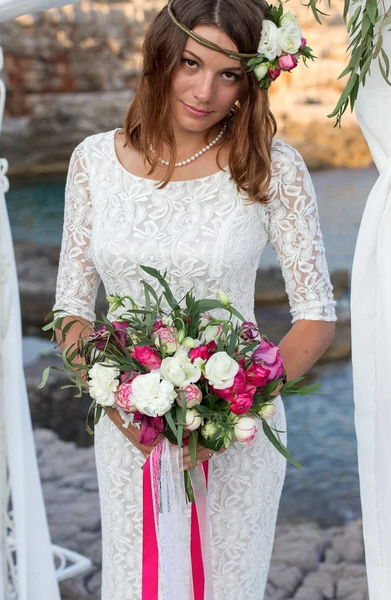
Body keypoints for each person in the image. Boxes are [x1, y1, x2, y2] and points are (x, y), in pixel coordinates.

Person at [53, 0, 337, 597]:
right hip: (126, 431)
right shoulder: (91, 164)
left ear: (251, 83)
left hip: (236, 434)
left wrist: (224, 413)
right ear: (161, 57)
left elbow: (316, 317)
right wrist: (122, 404)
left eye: (229, 73)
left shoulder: (273, 168)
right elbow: (71, 314)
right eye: (189, 63)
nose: (205, 90)